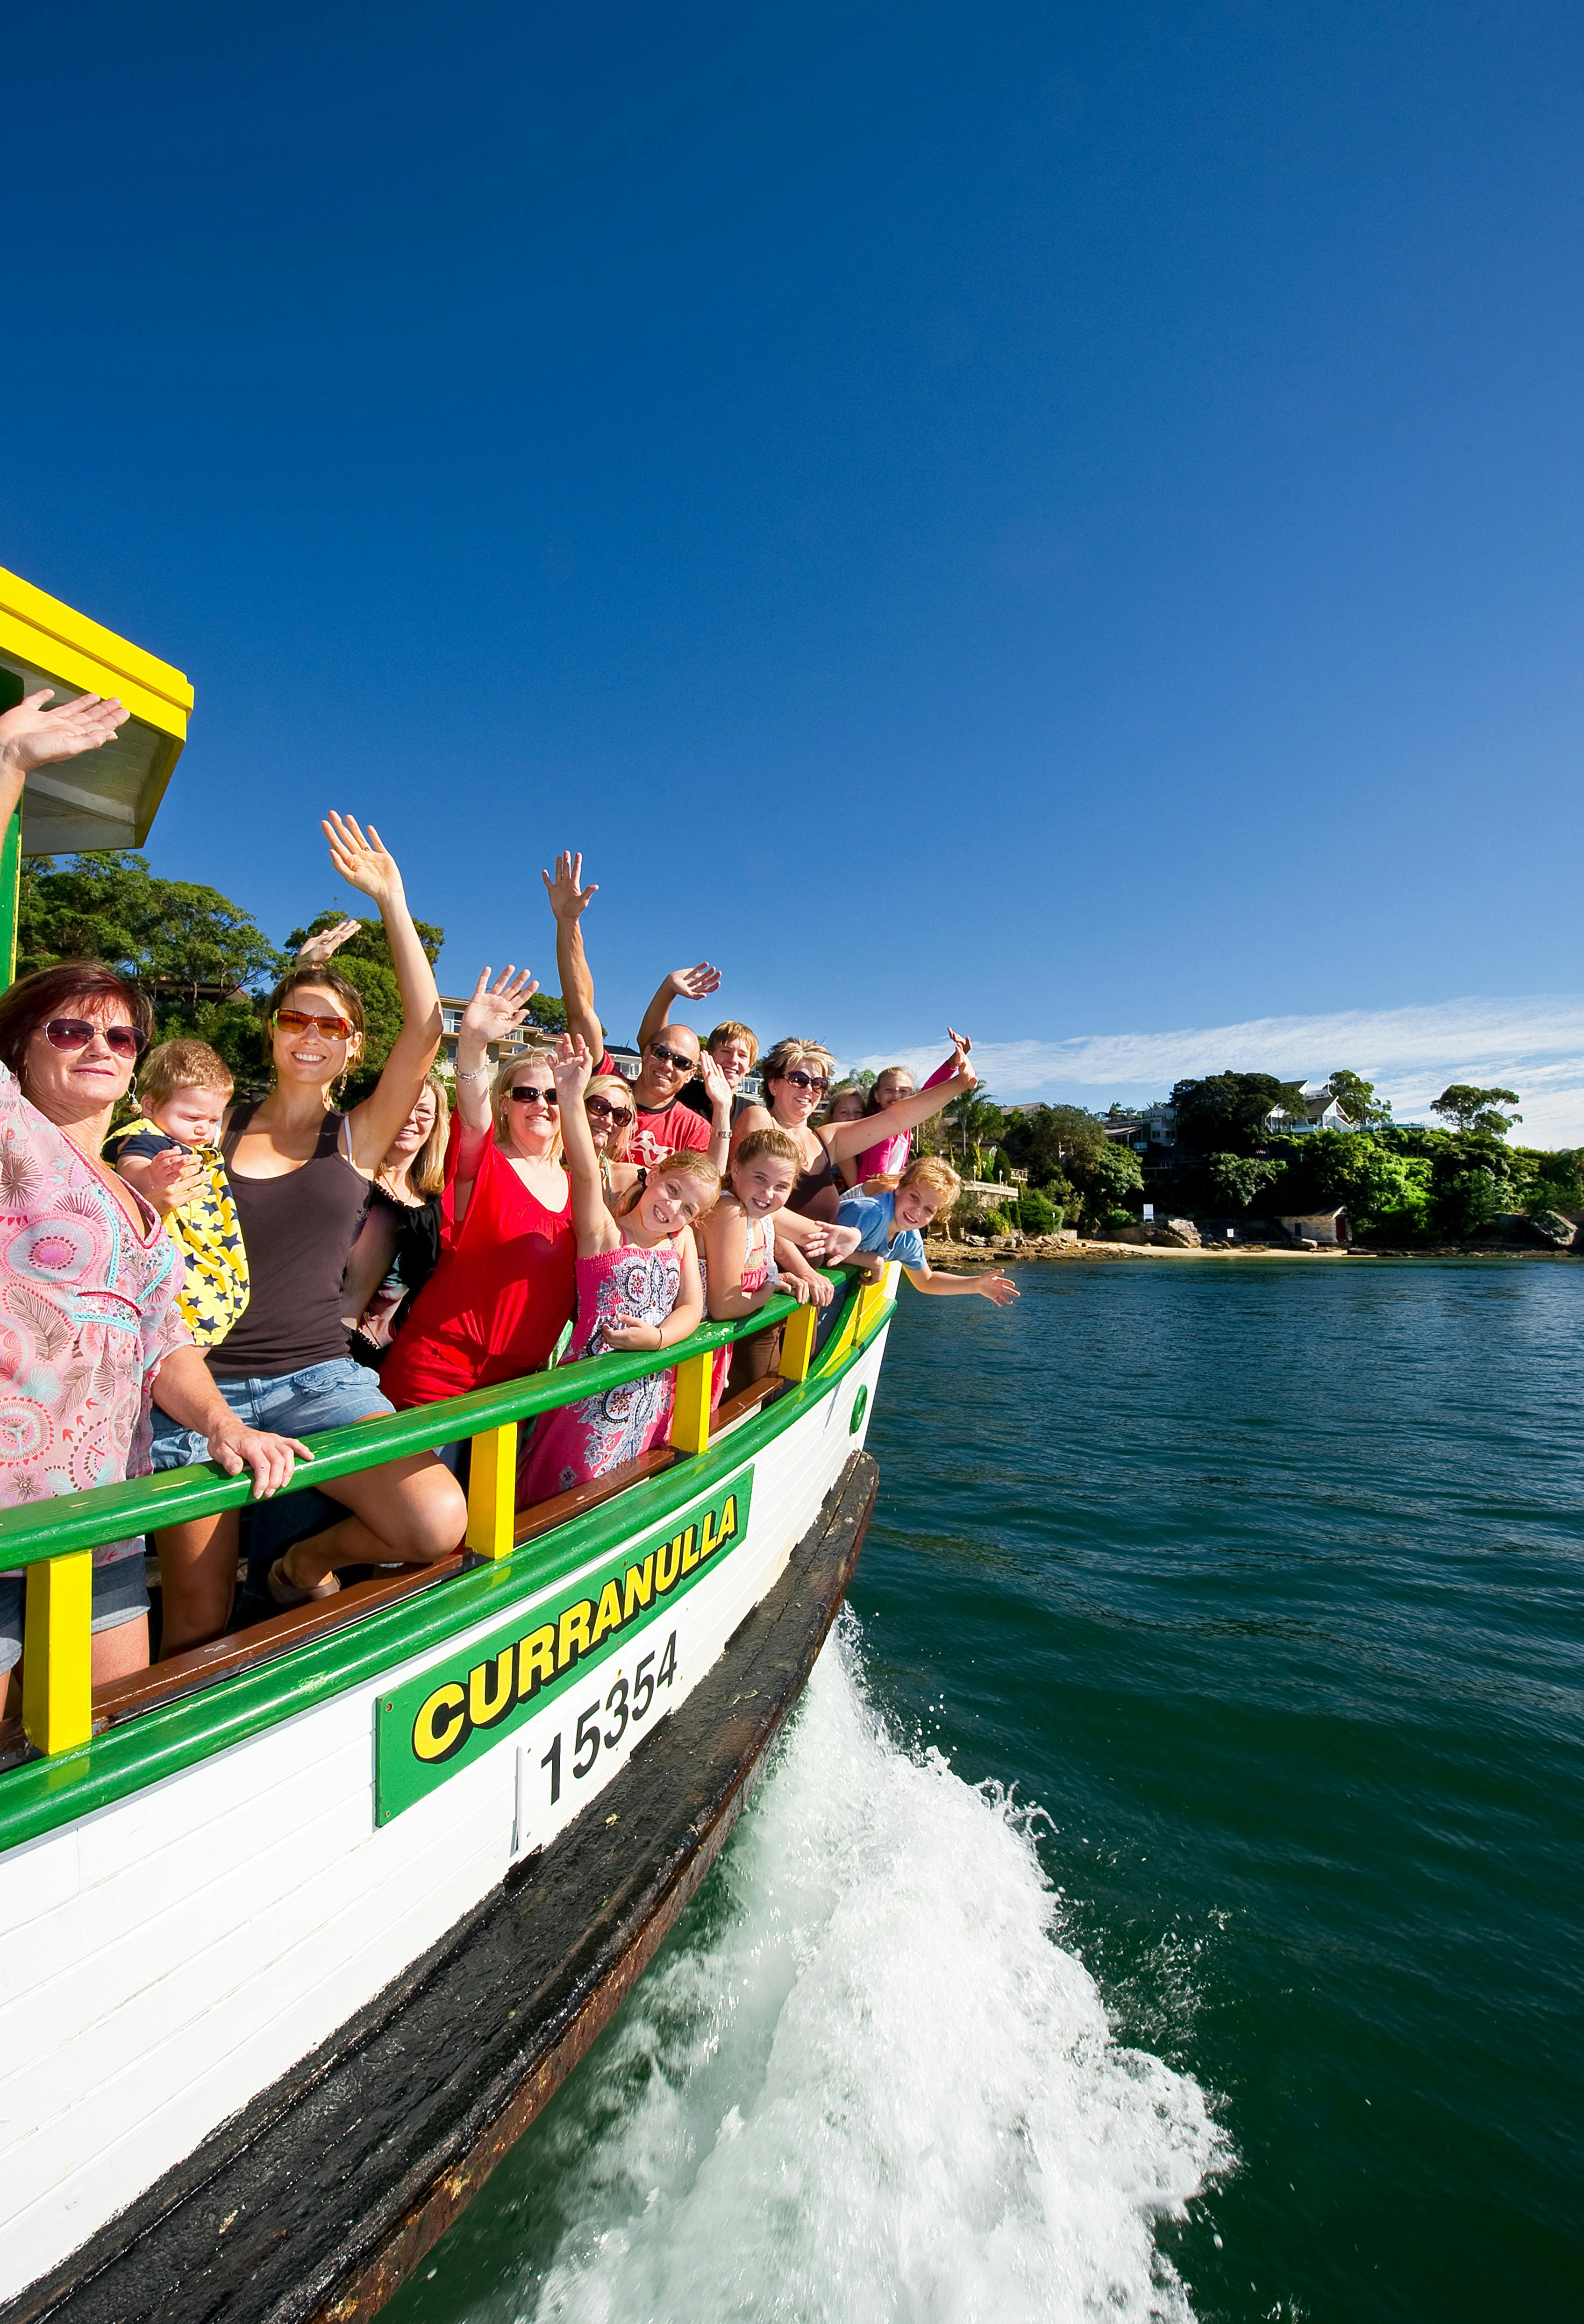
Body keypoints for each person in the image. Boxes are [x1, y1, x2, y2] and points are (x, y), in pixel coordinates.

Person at [0, 681, 307, 1693]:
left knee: (102, 1738)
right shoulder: (15, 1138)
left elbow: (163, 1337)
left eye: (118, 1032)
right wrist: (8, 768)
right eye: (70, 1028)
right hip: (7, 1515)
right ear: (22, 1050)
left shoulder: (141, 1195)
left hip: (105, 1520)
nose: (99, 1043)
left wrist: (223, 1425)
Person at [149, 814, 466, 1647]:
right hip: (197, 1391)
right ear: (274, 1030)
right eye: (298, 1020)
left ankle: (298, 1567)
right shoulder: (212, 1127)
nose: (313, 1035)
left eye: (332, 1026)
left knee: (435, 1519)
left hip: (317, 1381)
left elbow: (427, 1030)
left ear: (353, 1048)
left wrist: (394, 900)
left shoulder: (357, 1137)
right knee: (195, 1618)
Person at [518, 1036, 714, 1502]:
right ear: (655, 1174)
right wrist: (570, 1096)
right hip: (586, 1401)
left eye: (688, 1209)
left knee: (619, 1501)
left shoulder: (679, 1240)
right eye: (672, 1192)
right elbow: (586, 1170)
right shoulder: (604, 1233)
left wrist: (660, 1339)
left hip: (646, 1399)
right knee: (559, 1504)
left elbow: (692, 1306)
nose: (673, 1210)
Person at [380, 968, 578, 1411]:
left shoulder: (580, 1184)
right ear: (505, 1103)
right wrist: (472, 1045)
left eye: (553, 1096)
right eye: (527, 1093)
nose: (541, 1105)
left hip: (519, 1389)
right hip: (438, 1372)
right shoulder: (485, 1162)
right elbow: (473, 1120)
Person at [541, 853, 735, 1173]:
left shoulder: (694, 1129)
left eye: (682, 1062)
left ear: (690, 1075)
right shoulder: (608, 1086)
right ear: (645, 1052)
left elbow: (707, 1188)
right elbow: (581, 1008)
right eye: (661, 1052)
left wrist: (723, 1109)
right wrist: (568, 923)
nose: (667, 1064)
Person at [731, 1033, 978, 1225]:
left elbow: (897, 1119)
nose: (809, 1090)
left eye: (818, 1084)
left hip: (822, 1281)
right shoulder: (759, 1119)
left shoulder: (827, 1140)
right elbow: (749, 1204)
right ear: (774, 1085)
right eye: (799, 1080)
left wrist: (958, 1084)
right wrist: (830, 1236)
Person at [105, 1038, 250, 1348]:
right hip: (173, 1267)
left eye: (213, 1120)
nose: (204, 1130)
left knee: (203, 1328)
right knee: (184, 1336)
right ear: (151, 1106)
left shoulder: (192, 1146)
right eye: (192, 1118)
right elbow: (130, 1169)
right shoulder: (147, 1139)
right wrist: (152, 1175)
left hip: (208, 1263)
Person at [699, 1127, 826, 1404]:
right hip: (695, 1349)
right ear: (736, 1170)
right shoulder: (731, 1211)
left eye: (782, 1186)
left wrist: (778, 1279)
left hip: (715, 1347)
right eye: (760, 1178)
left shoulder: (761, 1214)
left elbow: (819, 1236)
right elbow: (724, 1306)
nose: (768, 1193)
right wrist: (767, 1292)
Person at [340, 1072, 450, 1368]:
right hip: (329, 1346)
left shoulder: (433, 1204)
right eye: (403, 1104)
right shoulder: (351, 1179)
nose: (411, 1118)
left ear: (437, 1123)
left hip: (391, 1359)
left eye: (424, 1111)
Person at [838, 1156, 1021, 1308]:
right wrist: (872, 1261)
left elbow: (927, 1281)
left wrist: (977, 1284)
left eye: (929, 1210)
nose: (917, 1212)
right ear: (900, 1188)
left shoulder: (908, 1239)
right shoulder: (871, 1212)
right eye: (914, 1198)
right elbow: (814, 1242)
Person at [841, 1036, 969, 1189]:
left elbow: (929, 1092)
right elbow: (877, 1179)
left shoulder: (903, 1123)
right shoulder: (882, 1130)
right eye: (889, 1090)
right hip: (872, 1197)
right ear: (877, 1096)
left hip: (883, 1193)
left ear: (911, 1096)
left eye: (903, 1091)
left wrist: (954, 1061)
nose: (896, 1096)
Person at [584, 1070, 641, 1203]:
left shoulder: (629, 1178)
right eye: (600, 1107)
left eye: (620, 1116)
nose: (609, 1121)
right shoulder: (540, 1160)